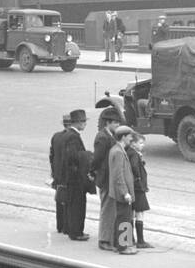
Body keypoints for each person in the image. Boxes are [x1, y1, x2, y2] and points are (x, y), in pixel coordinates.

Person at [54, 109, 92, 241]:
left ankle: (71, 229)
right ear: (77, 123)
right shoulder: (73, 137)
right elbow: (73, 157)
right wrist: (87, 155)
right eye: (83, 122)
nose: (85, 124)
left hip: (66, 176)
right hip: (74, 178)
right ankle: (76, 232)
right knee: (77, 206)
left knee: (70, 205)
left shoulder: (65, 135)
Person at [92, 106, 121, 249]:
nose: (118, 125)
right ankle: (104, 240)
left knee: (111, 209)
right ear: (108, 122)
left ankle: (109, 238)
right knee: (107, 209)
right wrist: (93, 172)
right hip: (105, 179)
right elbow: (97, 159)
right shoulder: (102, 137)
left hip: (110, 178)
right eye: (116, 123)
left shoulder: (111, 135)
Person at [108, 126, 138, 254]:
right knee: (124, 219)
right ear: (123, 137)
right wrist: (125, 192)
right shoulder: (119, 152)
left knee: (122, 217)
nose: (131, 138)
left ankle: (118, 244)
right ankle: (123, 246)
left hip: (119, 191)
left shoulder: (116, 149)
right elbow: (118, 175)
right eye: (130, 136)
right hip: (122, 192)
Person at [49, 113, 74, 232]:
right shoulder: (71, 137)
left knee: (59, 199)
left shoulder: (56, 136)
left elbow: (52, 156)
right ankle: (66, 226)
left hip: (57, 172)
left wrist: (53, 172)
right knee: (69, 200)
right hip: (67, 174)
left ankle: (60, 226)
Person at [129, 133, 152, 248]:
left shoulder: (130, 152)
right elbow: (134, 167)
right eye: (140, 143)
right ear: (133, 143)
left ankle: (132, 239)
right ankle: (140, 240)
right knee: (140, 213)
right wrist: (138, 178)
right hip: (138, 188)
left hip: (134, 187)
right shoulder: (134, 154)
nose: (143, 145)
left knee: (133, 213)